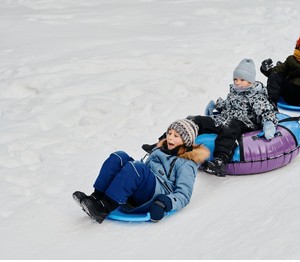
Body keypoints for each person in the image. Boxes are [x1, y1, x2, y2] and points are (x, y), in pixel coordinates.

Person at [72, 119, 210, 223]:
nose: (170, 138)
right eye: (169, 133)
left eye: (176, 136)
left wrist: (165, 203)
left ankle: (104, 207)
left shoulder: (187, 163)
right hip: (144, 183)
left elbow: (184, 195)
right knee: (119, 157)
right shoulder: (160, 149)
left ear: (186, 141)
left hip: (154, 195)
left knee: (137, 168)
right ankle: (97, 197)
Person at [190, 58, 278, 177]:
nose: (237, 82)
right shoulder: (234, 92)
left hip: (244, 122)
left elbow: (266, 111)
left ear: (251, 81)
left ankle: (220, 160)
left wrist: (268, 123)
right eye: (235, 79)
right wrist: (216, 104)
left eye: (242, 79)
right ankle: (171, 140)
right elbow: (228, 104)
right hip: (226, 117)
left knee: (229, 127)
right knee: (197, 120)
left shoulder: (256, 96)